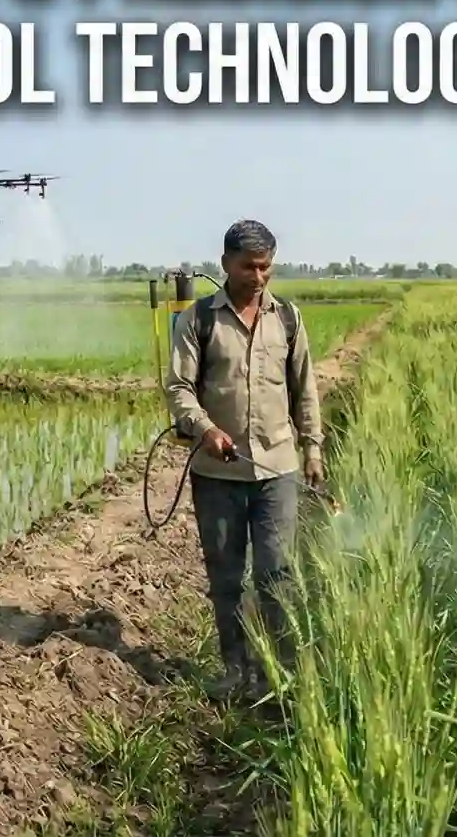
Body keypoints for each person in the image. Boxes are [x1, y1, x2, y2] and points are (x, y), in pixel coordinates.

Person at [164, 219, 325, 700]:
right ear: (226, 265)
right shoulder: (199, 321)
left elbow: (306, 390)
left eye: (266, 266)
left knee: (276, 573)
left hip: (278, 468)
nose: (258, 276)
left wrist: (312, 446)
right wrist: (206, 428)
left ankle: (282, 672)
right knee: (226, 575)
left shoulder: (288, 319)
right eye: (248, 266)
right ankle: (236, 669)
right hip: (218, 473)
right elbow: (178, 389)